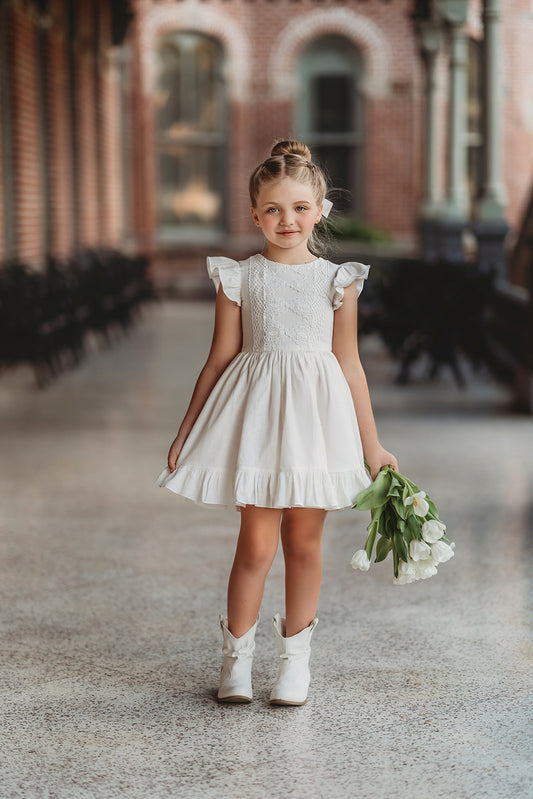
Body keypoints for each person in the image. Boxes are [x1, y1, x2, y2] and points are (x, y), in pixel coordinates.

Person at [155, 140, 398, 706]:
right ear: (253, 213)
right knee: (256, 545)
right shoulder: (239, 277)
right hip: (259, 419)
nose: (286, 220)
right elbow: (218, 357)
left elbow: (350, 364)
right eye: (272, 210)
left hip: (317, 421)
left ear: (321, 210)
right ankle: (235, 662)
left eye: (299, 208)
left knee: (305, 543)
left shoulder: (339, 281)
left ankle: (295, 665)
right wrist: (187, 428)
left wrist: (372, 443)